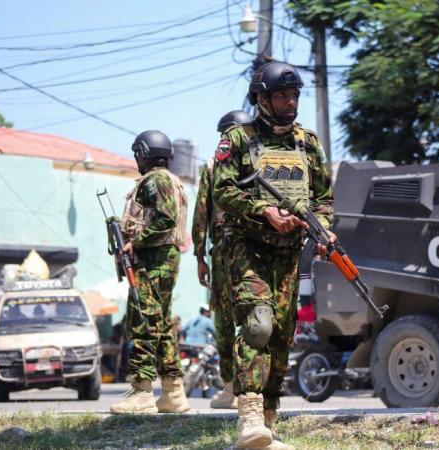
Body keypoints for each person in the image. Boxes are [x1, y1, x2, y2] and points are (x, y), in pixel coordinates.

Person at [213, 61, 334, 450]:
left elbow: (324, 198)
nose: (290, 101)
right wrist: (263, 210)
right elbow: (223, 192)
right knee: (259, 325)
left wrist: (323, 227)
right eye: (282, 95)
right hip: (247, 248)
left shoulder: (308, 143)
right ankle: (248, 416)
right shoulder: (238, 139)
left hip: (289, 255)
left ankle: (266, 423)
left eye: (295, 94)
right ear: (262, 99)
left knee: (282, 338)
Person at [109, 130, 190, 415]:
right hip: (163, 259)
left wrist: (135, 242)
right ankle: (172, 392)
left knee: (142, 321)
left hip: (154, 260)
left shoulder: (155, 180)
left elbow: (166, 219)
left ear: (144, 153)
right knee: (162, 324)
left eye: (137, 154)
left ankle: (142, 391)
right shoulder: (171, 181)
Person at [192, 109, 254, 410]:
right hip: (255, 252)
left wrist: (199, 255)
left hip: (227, 251)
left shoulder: (214, 164)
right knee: (253, 316)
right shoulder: (263, 162)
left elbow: (201, 212)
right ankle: (251, 389)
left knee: (228, 321)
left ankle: (232, 389)